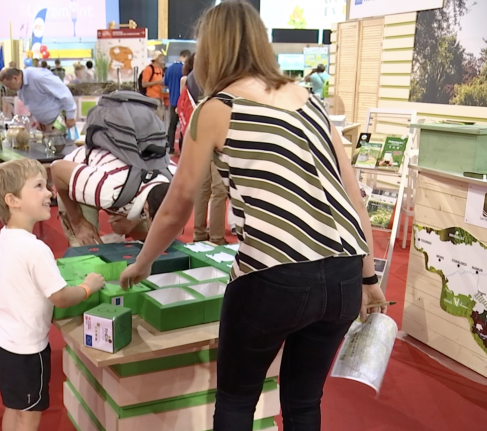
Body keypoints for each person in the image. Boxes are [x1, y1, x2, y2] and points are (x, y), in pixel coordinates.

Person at [119, 2, 388, 431]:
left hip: (274, 273)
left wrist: (144, 261)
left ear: (212, 49)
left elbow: (176, 203)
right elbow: (352, 193)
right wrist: (369, 276)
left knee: (236, 400)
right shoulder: (310, 99)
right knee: (303, 403)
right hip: (342, 276)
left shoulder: (217, 108)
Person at [0, 158, 106, 431]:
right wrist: (88, 287)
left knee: (14, 406)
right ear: (12, 200)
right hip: (24, 349)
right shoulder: (36, 249)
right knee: (30, 414)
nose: (49, 192)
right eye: (38, 186)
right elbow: (60, 297)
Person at [51, 146, 174, 246]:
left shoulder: (181, 183)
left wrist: (133, 220)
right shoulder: (106, 189)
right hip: (78, 176)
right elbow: (57, 168)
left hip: (126, 181)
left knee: (150, 240)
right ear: (146, 209)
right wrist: (77, 223)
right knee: (86, 246)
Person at [178, 69, 227, 245]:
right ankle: (216, 238)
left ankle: (199, 233)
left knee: (203, 187)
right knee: (219, 191)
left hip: (197, 133)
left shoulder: (192, 76)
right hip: (217, 135)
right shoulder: (221, 75)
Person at [0, 67, 76, 130]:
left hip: (60, 121)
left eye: (9, 85)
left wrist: (70, 117)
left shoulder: (39, 77)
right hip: (44, 125)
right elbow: (32, 104)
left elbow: (64, 93)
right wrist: (37, 119)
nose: (9, 88)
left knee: (63, 146)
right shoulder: (20, 89)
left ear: (15, 78)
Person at [164, 50, 191, 154]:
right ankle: (182, 148)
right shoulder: (185, 69)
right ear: (186, 56)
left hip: (172, 100)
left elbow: (165, 84)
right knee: (184, 126)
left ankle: (170, 147)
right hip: (183, 102)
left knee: (172, 125)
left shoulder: (169, 69)